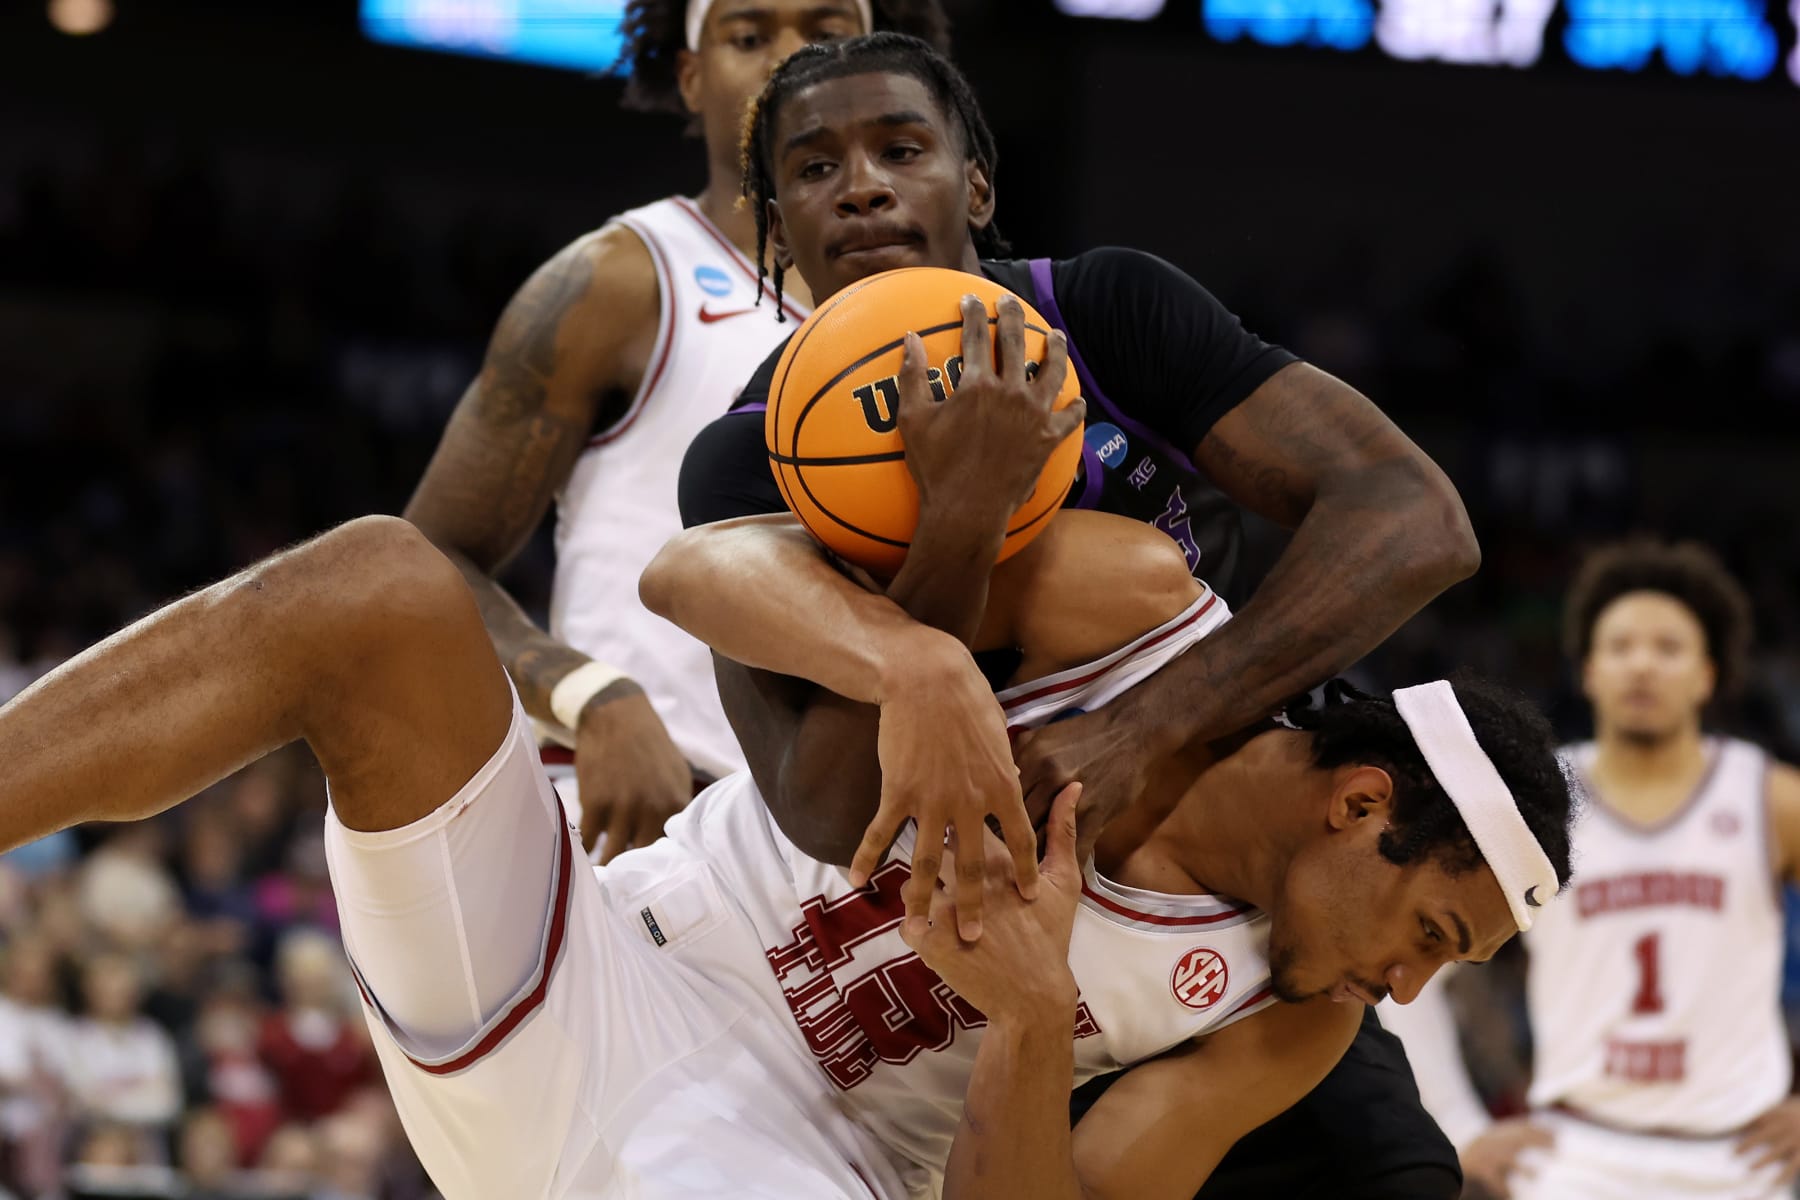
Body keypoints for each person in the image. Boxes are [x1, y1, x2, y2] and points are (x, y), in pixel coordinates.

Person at [0, 494, 1572, 1197]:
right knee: (377, 588)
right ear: (1363, 811)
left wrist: (1030, 1017)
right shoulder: (1141, 612)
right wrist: (916, 662)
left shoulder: (1283, 1018)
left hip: (800, 1161)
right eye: (1434, 937)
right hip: (589, 967)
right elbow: (698, 570)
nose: (1411, 997)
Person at [676, 31, 1481, 1197]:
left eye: (903, 148)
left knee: (1396, 1178)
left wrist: (1146, 725)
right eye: (812, 169)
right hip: (988, 904)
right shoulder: (749, 469)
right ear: (773, 227)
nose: (860, 184)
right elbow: (824, 801)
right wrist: (961, 511)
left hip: (1219, 873)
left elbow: (1415, 521)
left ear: (978, 187)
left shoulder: (1102, 314)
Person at [402, 0, 950, 860]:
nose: (788, 58)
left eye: (826, 28)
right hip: (652, 822)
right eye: (748, 34)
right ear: (691, 75)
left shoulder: (963, 306)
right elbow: (423, 563)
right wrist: (588, 694)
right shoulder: (621, 280)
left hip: (869, 837)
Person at [1412, 540, 1800, 1200]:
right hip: (1575, 1153)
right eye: (1619, 647)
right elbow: (1418, 951)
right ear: (1588, 670)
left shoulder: (1772, 798)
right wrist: (1458, 1125)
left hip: (1743, 1161)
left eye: (1668, 648)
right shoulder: (1538, 802)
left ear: (1707, 673)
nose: (1641, 664)